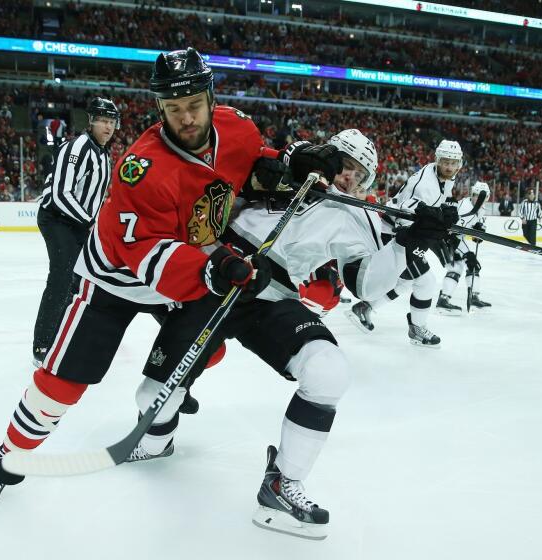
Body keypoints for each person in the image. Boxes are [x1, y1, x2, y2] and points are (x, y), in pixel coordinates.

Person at [0, 47, 339, 509]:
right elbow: (146, 253)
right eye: (173, 109)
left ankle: (168, 394)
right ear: (159, 109)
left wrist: (292, 160)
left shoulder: (236, 127)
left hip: (189, 264)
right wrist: (213, 266)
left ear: (209, 96)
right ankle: (9, 456)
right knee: (65, 379)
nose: (186, 118)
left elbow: (255, 163)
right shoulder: (142, 168)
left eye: (193, 105)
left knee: (213, 344)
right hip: (116, 277)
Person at [128, 128, 444, 539]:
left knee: (328, 371)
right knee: (152, 397)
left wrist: (407, 244)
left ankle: (282, 484)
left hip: (272, 297)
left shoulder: (357, 215)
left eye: (358, 174)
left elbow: (365, 284)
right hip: (218, 276)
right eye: (343, 166)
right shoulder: (288, 168)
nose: (347, 179)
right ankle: (157, 439)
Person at [345, 139, 461, 348]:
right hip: (397, 234)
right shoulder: (426, 184)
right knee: (426, 283)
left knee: (407, 281)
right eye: (446, 162)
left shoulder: (443, 177)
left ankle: (365, 308)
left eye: (454, 163)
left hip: (404, 232)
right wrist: (430, 226)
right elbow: (407, 212)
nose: (449, 167)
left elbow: (434, 209)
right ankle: (417, 329)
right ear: (438, 160)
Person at [31, 97, 119, 366]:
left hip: (79, 223)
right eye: (102, 120)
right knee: (62, 276)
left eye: (111, 121)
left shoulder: (103, 153)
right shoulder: (79, 147)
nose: (107, 126)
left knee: (82, 279)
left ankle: (65, 334)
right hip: (57, 219)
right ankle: (43, 344)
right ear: (90, 121)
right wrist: (88, 222)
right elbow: (60, 194)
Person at [436, 181, 491, 314]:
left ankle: (473, 297)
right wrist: (466, 253)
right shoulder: (464, 207)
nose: (479, 199)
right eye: (476, 195)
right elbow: (451, 232)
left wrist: (477, 231)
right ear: (472, 194)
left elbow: (471, 228)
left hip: (456, 239)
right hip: (447, 238)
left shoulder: (481, 209)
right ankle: (443, 301)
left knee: (467, 266)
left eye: (483, 197)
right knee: (459, 266)